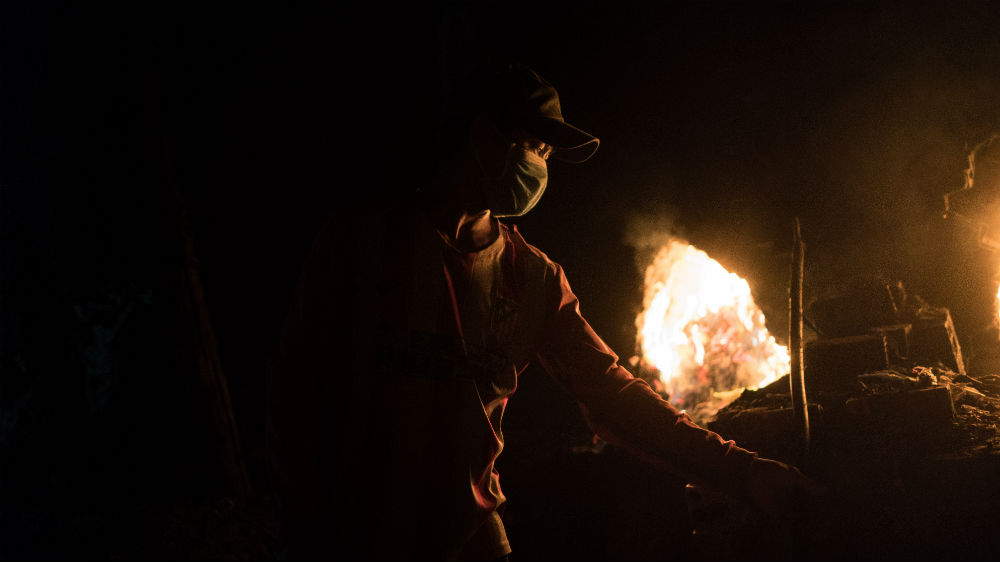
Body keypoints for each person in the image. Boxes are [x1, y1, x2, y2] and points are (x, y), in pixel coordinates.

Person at [265, 62, 822, 561]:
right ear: (483, 137)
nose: (542, 165)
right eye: (537, 146)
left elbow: (611, 395)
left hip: (472, 538)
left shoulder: (533, 278)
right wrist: (303, 524)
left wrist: (744, 471)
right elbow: (296, 394)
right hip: (353, 540)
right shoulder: (362, 242)